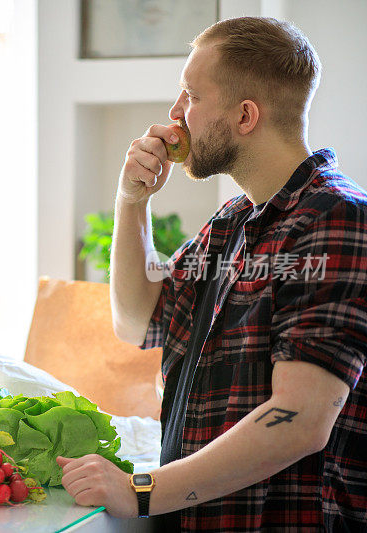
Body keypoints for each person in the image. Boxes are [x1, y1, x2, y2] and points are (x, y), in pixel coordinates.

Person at [56, 16, 366, 531]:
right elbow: (136, 322)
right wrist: (130, 201)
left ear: (245, 116)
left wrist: (142, 492)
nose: (176, 114)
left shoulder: (339, 218)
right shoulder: (232, 223)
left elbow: (302, 422)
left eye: (191, 96)